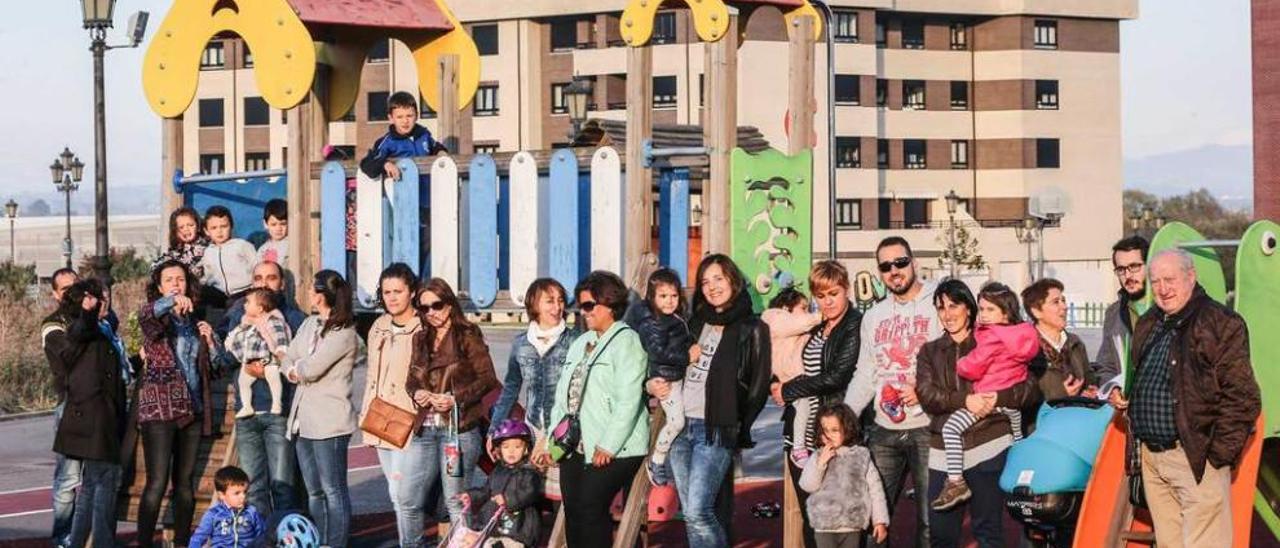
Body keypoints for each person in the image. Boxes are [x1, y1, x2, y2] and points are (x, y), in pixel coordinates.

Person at [1113, 249, 1261, 547]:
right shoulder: (1150, 321)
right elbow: (1146, 376)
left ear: (1191, 277)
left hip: (1195, 456)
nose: (1163, 289)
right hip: (1153, 459)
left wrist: (1217, 458)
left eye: (1170, 280)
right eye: (1155, 282)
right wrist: (1126, 395)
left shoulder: (1220, 322)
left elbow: (1243, 397)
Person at [651, 255, 771, 548]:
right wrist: (654, 383)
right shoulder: (694, 322)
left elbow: (757, 387)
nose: (712, 286)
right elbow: (667, 362)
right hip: (680, 426)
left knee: (698, 511)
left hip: (716, 429)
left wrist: (738, 424)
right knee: (691, 514)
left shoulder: (753, 327)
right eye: (705, 281)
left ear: (733, 280)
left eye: (718, 278)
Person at [916, 279, 1042, 548]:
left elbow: (1029, 388)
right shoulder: (929, 351)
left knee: (988, 533)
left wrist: (999, 397)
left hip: (989, 445)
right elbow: (927, 394)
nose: (947, 314)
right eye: (941, 308)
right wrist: (966, 400)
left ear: (969, 309)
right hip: (944, 451)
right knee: (941, 534)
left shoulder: (993, 337)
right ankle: (955, 484)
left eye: (954, 305)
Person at [843, 237, 941, 548]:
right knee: (874, 516)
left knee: (930, 519)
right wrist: (844, 417)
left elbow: (957, 358)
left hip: (929, 427)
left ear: (914, 262)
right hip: (885, 429)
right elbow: (866, 373)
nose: (894, 271)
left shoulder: (939, 302)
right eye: (885, 266)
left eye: (900, 262)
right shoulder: (874, 316)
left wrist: (925, 391)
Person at [548, 270, 650, 548]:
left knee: (590, 506)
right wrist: (552, 441)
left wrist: (608, 444)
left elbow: (629, 399)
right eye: (581, 306)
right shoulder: (580, 343)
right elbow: (562, 397)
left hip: (616, 445)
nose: (584, 312)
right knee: (574, 510)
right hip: (575, 443)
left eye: (590, 305)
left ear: (610, 304)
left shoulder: (627, 342)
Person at [772, 261, 861, 547]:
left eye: (833, 293)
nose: (828, 301)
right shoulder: (816, 324)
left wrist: (788, 390)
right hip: (801, 435)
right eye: (821, 296)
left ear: (845, 289)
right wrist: (775, 383)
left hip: (835, 434)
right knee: (812, 517)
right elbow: (786, 359)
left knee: (839, 519)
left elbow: (836, 377)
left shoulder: (853, 325)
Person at [405, 278, 501, 527]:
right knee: (410, 498)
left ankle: (465, 541)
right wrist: (417, 393)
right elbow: (411, 380)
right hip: (424, 428)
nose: (431, 313)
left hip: (457, 431)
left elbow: (488, 378)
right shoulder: (420, 339)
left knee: (455, 499)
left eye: (436, 305)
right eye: (423, 308)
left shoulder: (467, 335)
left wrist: (454, 399)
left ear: (449, 304)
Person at [215, 260, 305, 516]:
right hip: (247, 413)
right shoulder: (237, 314)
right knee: (252, 489)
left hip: (279, 413)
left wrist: (269, 364)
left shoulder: (294, 318)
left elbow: (301, 363)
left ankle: (286, 539)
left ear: (282, 283)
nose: (264, 283)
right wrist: (245, 362)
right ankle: (260, 540)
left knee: (284, 487)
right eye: (258, 278)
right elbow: (224, 356)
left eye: (271, 277)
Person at [136, 260, 216, 547]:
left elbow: (212, 368)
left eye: (180, 279)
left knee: (184, 483)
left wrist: (210, 340)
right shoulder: (157, 318)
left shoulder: (193, 322)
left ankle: (182, 542)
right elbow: (145, 314)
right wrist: (169, 302)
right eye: (168, 280)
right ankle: (145, 542)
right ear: (159, 288)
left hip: (191, 410)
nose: (175, 284)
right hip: (160, 410)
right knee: (157, 482)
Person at [47, 279, 128, 548]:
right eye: (96, 298)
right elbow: (82, 330)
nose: (103, 302)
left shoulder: (105, 328)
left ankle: (79, 541)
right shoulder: (82, 328)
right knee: (104, 481)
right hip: (94, 415)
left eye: (103, 297)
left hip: (102, 413)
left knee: (93, 485)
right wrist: (88, 311)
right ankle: (101, 542)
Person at [282, 270, 357, 548]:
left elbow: (312, 368)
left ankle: (335, 543)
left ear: (328, 295)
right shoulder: (309, 324)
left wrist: (296, 367)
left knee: (333, 490)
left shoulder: (344, 332)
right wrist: (293, 367)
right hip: (302, 419)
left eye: (315, 290)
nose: (311, 296)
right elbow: (289, 357)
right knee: (314, 491)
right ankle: (320, 542)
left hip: (330, 422)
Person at [359, 263, 427, 548]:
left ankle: (412, 543)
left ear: (411, 292)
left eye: (398, 291)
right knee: (394, 492)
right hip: (379, 418)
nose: (392, 297)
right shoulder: (378, 326)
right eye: (386, 292)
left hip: (408, 421)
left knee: (406, 494)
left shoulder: (422, 327)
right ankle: (405, 541)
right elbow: (371, 376)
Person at [491, 278, 577, 501]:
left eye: (560, 301)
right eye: (549, 301)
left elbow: (576, 394)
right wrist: (494, 430)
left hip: (563, 431)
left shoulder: (574, 341)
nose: (557, 307)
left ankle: (564, 538)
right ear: (534, 304)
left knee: (563, 497)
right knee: (527, 493)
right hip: (532, 430)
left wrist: (550, 438)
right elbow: (510, 389)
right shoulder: (521, 343)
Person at [632, 268, 694, 486]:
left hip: (677, 375)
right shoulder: (652, 324)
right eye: (663, 296)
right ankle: (657, 460)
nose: (669, 301)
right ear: (652, 297)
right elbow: (658, 352)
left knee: (683, 421)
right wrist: (688, 356)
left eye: (674, 296)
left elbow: (683, 338)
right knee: (677, 422)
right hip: (666, 379)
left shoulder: (675, 318)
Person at [798, 404, 889, 548]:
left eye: (835, 430)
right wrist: (820, 464)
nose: (828, 435)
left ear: (847, 430)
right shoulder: (817, 456)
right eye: (825, 430)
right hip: (824, 525)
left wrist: (879, 520)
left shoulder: (861, 456)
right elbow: (807, 485)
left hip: (852, 523)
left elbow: (875, 489)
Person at [41, 267, 82, 548]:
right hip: (70, 405)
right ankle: (62, 537)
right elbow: (69, 356)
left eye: (75, 287)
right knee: (68, 479)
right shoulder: (52, 324)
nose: (71, 293)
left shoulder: (99, 318)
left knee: (98, 480)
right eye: (64, 289)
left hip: (100, 407)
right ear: (56, 294)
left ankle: (87, 535)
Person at [458, 420, 544, 548]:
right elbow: (486, 491)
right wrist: (471, 495)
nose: (511, 451)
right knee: (469, 541)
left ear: (526, 449)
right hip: (494, 525)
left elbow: (529, 494)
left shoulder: (530, 474)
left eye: (517, 447)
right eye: (506, 447)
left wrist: (507, 500)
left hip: (518, 528)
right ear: (499, 450)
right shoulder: (498, 470)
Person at [762, 288, 821, 461]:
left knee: (805, 407)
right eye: (803, 308)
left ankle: (800, 445)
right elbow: (800, 323)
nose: (807, 313)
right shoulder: (775, 318)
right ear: (787, 307)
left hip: (793, 375)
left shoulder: (792, 329)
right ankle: (799, 446)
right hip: (790, 375)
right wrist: (822, 316)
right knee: (802, 406)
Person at [1022, 278, 1093, 401]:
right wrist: (1059, 393)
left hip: (1078, 415)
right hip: (1041, 418)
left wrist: (1091, 390)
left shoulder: (1075, 343)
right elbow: (1021, 395)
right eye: (1056, 302)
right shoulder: (1025, 348)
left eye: (1063, 300)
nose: (1064, 307)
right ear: (1036, 311)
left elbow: (1089, 376)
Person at [1094, 235, 1149, 392]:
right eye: (1121, 269)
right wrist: (1112, 389)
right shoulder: (1113, 313)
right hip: (1129, 409)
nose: (1128, 275)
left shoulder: (1167, 307)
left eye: (1134, 266)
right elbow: (1106, 365)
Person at [227, 288, 292, 418]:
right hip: (251, 359)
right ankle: (247, 406)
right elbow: (238, 335)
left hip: (267, 357)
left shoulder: (272, 319)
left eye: (248, 302)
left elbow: (279, 335)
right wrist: (230, 341)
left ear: (260, 308)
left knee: (273, 376)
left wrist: (281, 350)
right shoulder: (246, 321)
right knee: (243, 381)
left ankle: (276, 403)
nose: (244, 304)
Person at [359, 91, 446, 181]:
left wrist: (441, 152)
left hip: (427, 190)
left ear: (416, 116)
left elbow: (435, 146)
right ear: (391, 118)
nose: (405, 121)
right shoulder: (388, 142)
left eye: (409, 116)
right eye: (400, 117)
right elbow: (367, 163)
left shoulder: (423, 135)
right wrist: (385, 164)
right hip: (401, 190)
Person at [190, 466, 267, 548]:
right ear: (221, 495)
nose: (243, 496)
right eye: (237, 493)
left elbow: (262, 536)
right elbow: (198, 538)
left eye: (245, 492)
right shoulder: (214, 514)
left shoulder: (251, 512)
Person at [199, 205, 257, 306]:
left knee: (234, 304)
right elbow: (209, 275)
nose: (219, 231)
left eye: (224, 226)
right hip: (221, 293)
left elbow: (256, 266)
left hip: (244, 291)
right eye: (214, 228)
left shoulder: (241, 245)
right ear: (206, 231)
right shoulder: (208, 252)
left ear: (231, 226)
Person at [152, 207, 209, 279]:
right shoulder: (175, 253)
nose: (186, 229)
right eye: (181, 227)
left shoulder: (207, 247)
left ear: (198, 227)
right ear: (175, 231)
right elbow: (155, 267)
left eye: (191, 225)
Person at [257, 199, 290, 269]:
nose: (278, 228)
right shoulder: (262, 250)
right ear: (265, 224)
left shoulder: (291, 245)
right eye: (273, 224)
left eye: (283, 224)